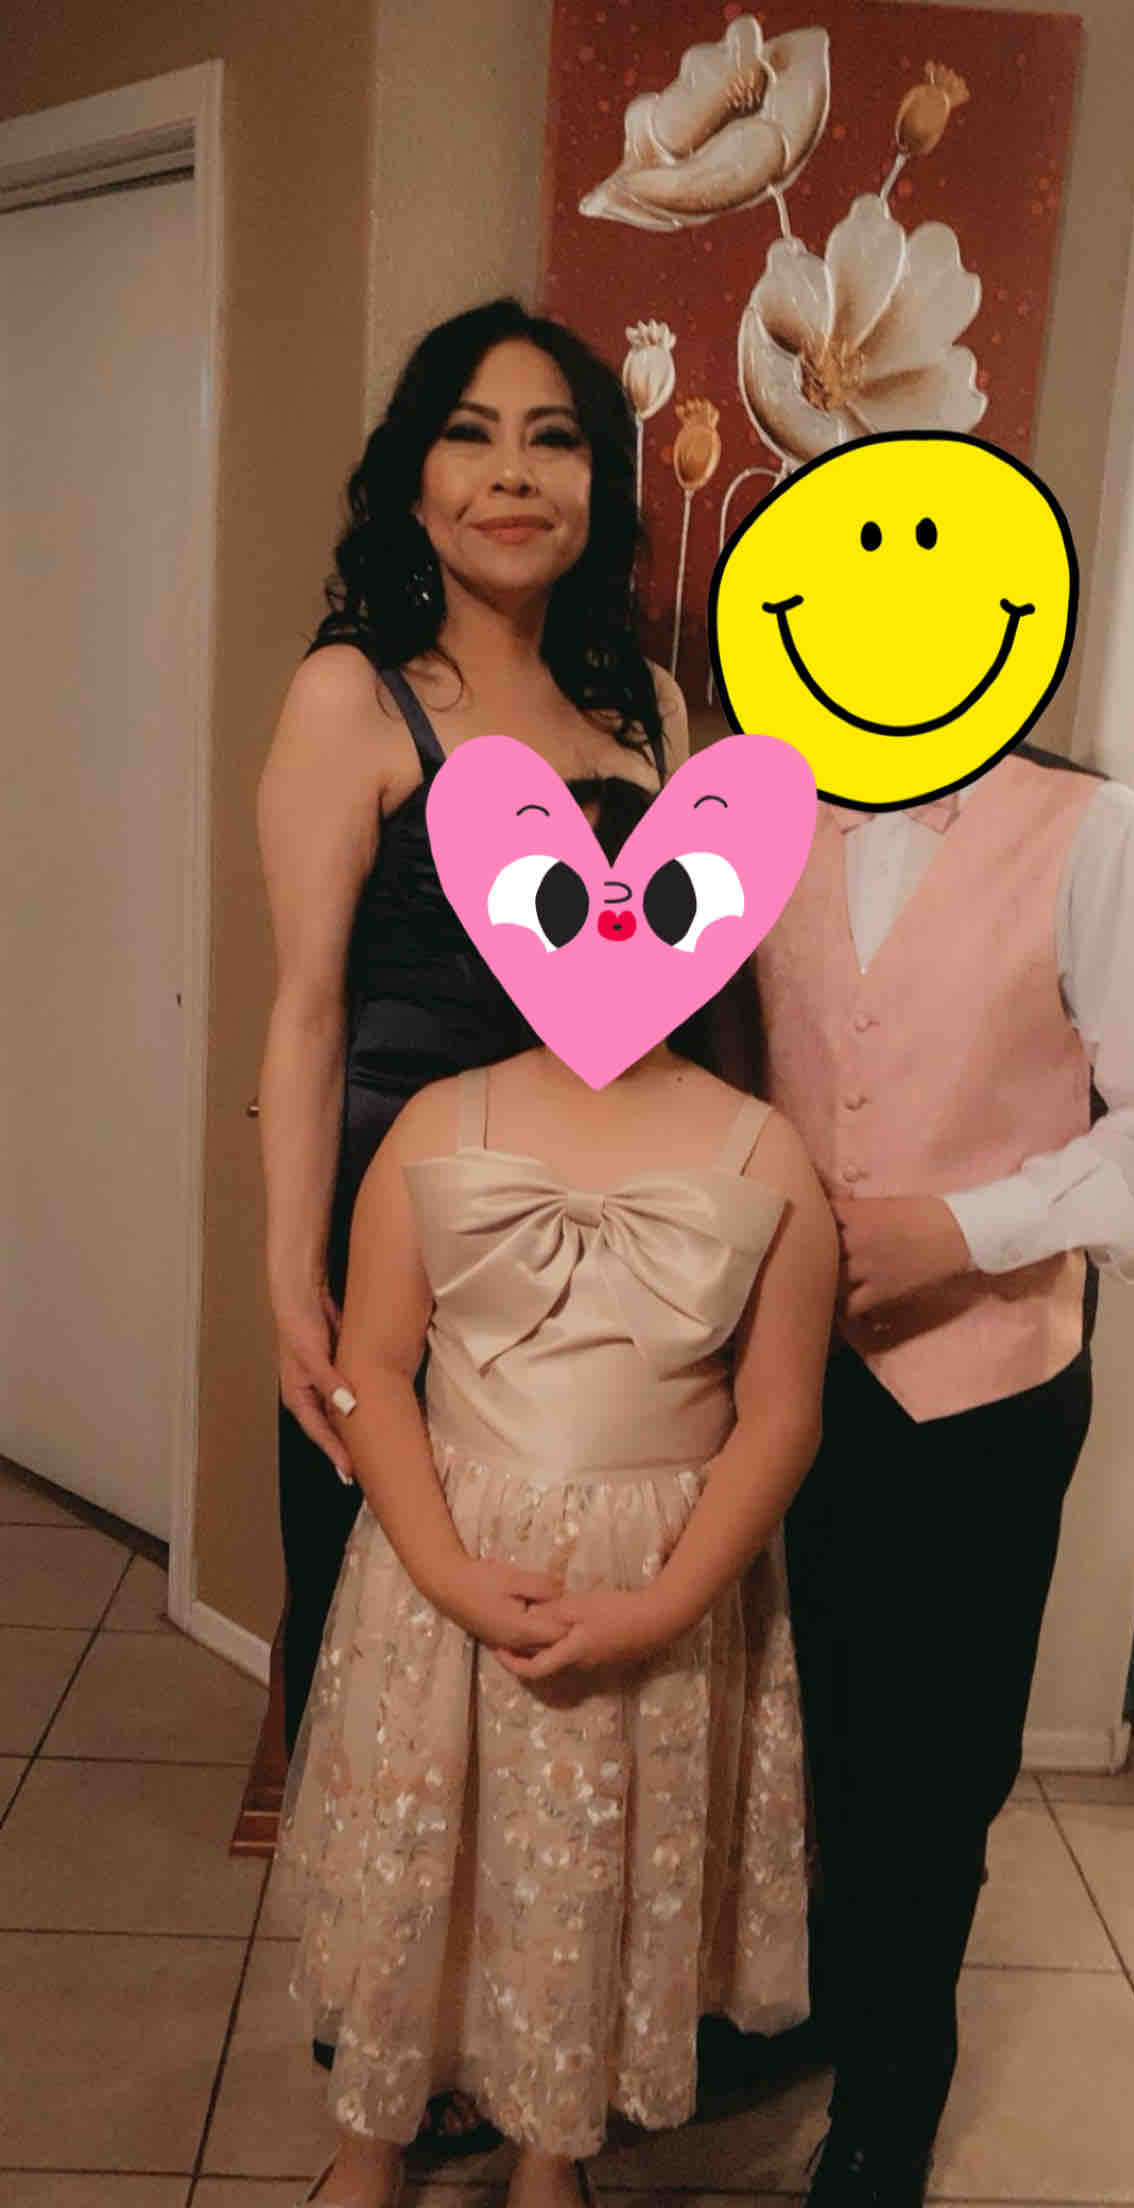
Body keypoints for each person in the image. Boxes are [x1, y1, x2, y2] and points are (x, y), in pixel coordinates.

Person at [271, 774, 838, 2208]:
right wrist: (443, 1568)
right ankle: (368, 2145)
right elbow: (374, 1366)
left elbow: (780, 1414)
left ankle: (550, 2152)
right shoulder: (436, 1125)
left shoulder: (760, 1149)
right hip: (444, 1572)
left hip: (657, 1584)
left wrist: (668, 1600)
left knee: (587, 1871)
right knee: (419, 1861)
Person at [256, 297, 689, 2147]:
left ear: (597, 485)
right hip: (402, 1255)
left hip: (606, 1268)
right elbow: (305, 1010)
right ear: (412, 476)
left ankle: (527, 2043)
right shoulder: (353, 695)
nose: (513, 473)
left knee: (560, 1656)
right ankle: (387, 2046)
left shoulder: (647, 711)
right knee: (384, 1647)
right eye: (470, 431)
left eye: (555, 437)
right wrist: (287, 1283)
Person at [754, 747, 1134, 2206]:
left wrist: (965, 1228)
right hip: (776, 1369)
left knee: (935, 1757)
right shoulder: (758, 810)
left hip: (983, 1383)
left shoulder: (1094, 832)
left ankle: (889, 2099)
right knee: (798, 1725)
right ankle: (814, 2001)